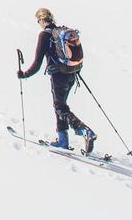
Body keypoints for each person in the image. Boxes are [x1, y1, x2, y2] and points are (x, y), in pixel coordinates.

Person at [16, 8, 96, 152]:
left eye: (38, 21)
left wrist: (24, 74)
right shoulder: (61, 32)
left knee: (60, 108)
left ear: (41, 20)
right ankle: (62, 140)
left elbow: (37, 63)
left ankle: (84, 130)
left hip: (59, 76)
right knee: (60, 105)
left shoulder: (45, 35)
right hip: (72, 74)